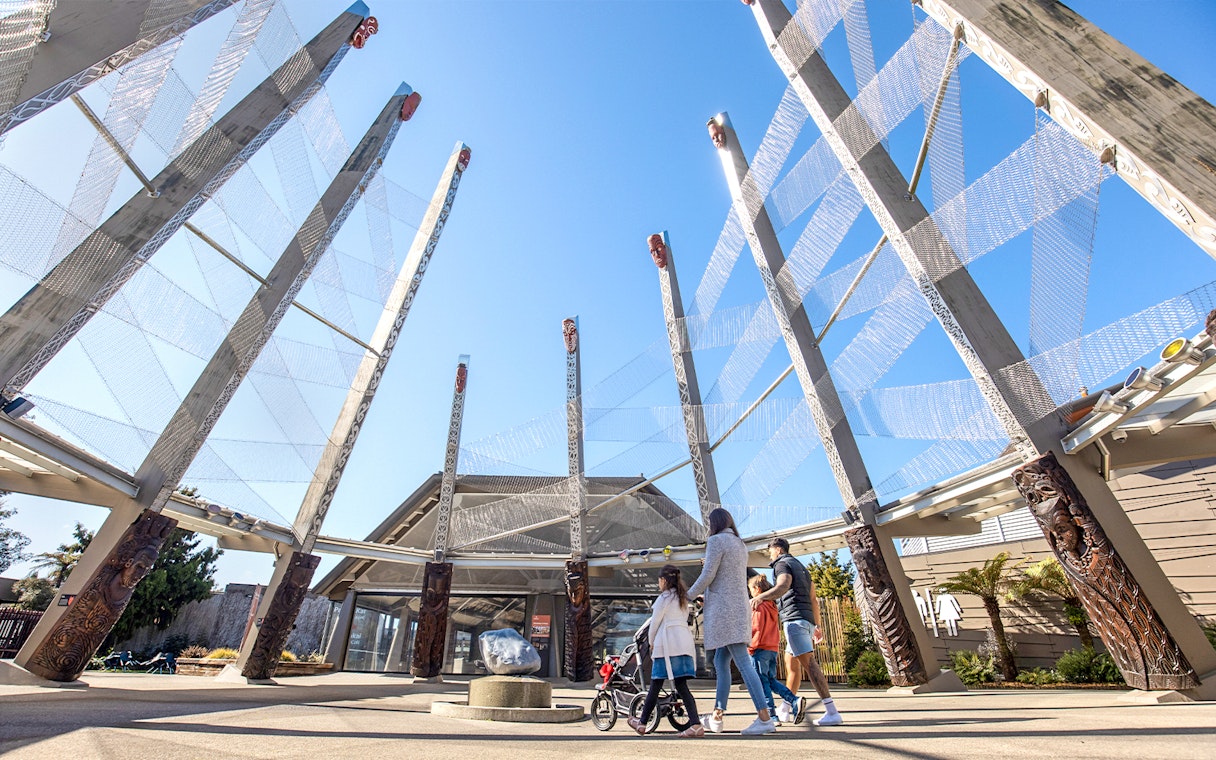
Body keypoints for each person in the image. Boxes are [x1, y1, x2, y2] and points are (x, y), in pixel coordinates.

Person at [687, 508, 777, 736]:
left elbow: (708, 575)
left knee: (744, 664)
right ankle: (717, 716)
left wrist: (686, 595)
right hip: (738, 609)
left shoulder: (716, 541)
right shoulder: (739, 543)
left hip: (725, 613)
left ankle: (764, 717)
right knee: (720, 661)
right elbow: (724, 575)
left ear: (713, 523)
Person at [750, 537, 842, 727]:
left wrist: (760, 598)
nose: (770, 555)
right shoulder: (802, 567)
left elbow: (783, 585)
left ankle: (832, 711)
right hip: (805, 620)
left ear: (777, 549)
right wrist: (816, 625)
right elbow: (813, 598)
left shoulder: (781, 564)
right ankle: (786, 707)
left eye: (770, 551)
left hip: (794, 620)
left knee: (809, 664)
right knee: (791, 664)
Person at [627, 564, 704, 738]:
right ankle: (695, 724)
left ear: (663, 580)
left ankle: (642, 723)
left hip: (667, 645)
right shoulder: (683, 598)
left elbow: (654, 623)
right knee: (682, 686)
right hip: (683, 643)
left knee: (655, 684)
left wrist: (651, 642)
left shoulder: (664, 599)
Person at [747, 574, 802, 725]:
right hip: (772, 648)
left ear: (757, 590)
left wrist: (750, 647)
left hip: (759, 648)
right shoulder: (772, 605)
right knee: (770, 680)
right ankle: (794, 700)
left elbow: (756, 628)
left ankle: (771, 715)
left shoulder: (757, 606)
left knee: (761, 682)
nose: (750, 592)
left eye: (750, 589)